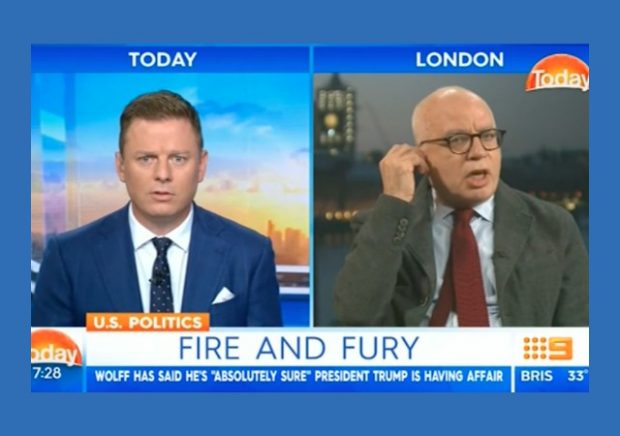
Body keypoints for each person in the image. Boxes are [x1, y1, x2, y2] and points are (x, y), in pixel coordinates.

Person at [333, 86, 588, 327]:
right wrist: (396, 200)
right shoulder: (387, 225)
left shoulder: (553, 225)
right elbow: (355, 315)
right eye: (458, 140)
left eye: (488, 136)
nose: (479, 152)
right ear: (421, 155)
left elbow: (580, 335)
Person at [32, 90, 282, 327]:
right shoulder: (69, 257)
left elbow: (267, 356)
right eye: (146, 159)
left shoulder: (250, 254)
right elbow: (49, 357)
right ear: (121, 166)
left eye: (178, 159)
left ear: (201, 166)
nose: (163, 174)